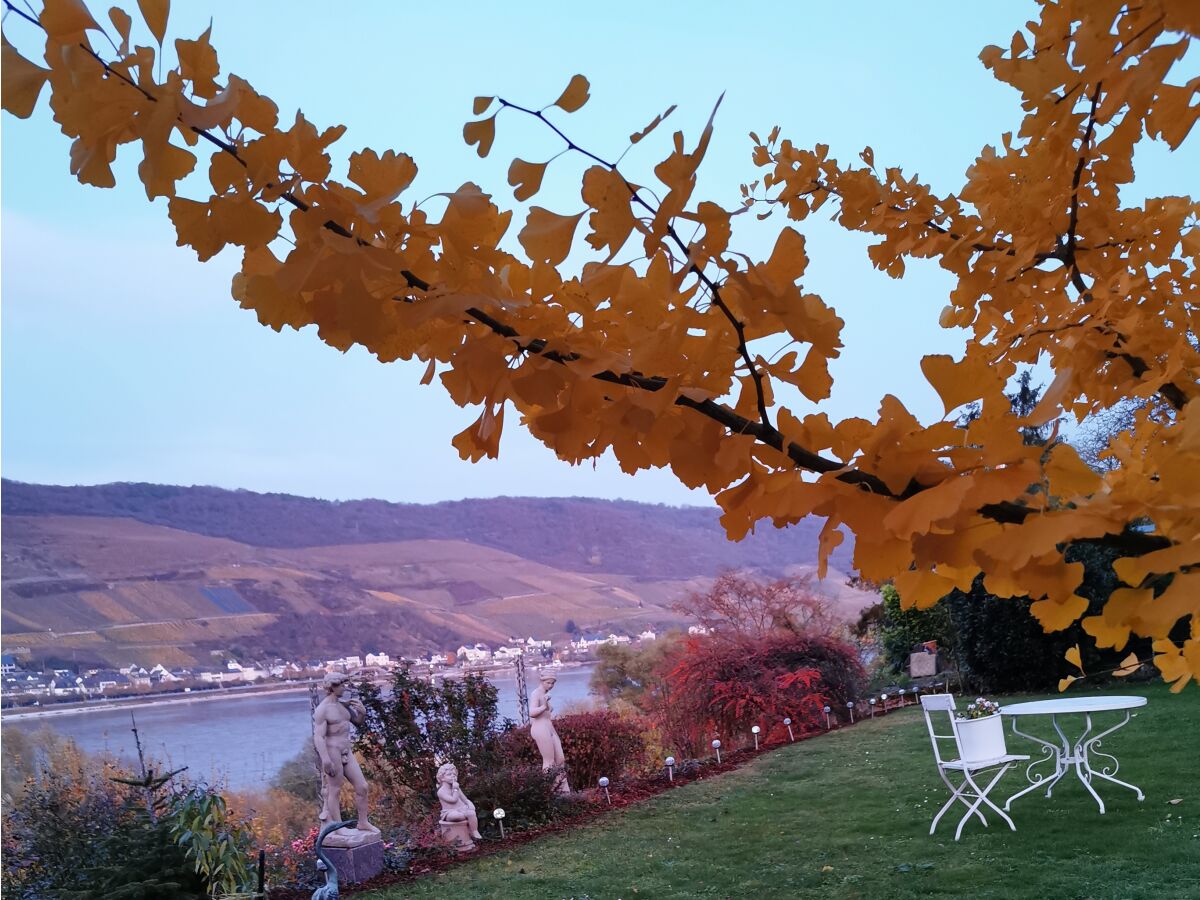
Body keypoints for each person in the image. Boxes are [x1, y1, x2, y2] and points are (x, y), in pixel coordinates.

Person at [312, 672, 377, 835]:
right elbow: (318, 737)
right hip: (332, 750)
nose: (344, 688)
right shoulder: (323, 709)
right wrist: (325, 759)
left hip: (346, 750)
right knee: (335, 790)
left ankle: (363, 822)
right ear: (332, 687)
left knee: (362, 786)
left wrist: (362, 712)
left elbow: (357, 722)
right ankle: (338, 827)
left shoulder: (343, 705)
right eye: (341, 685)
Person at [528, 670, 571, 793]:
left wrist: (546, 703)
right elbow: (531, 713)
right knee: (549, 761)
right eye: (548, 682)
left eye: (552, 683)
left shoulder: (546, 694)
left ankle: (563, 790)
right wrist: (544, 706)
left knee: (560, 759)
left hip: (549, 727)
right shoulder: (536, 694)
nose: (550, 685)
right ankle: (549, 790)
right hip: (540, 728)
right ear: (541, 681)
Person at [436, 762, 482, 840]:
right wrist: (455, 789)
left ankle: (474, 831)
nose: (453, 776)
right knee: (456, 816)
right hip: (449, 812)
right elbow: (453, 800)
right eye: (449, 775)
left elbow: (464, 798)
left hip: (462, 808)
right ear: (442, 778)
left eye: (454, 775)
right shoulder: (441, 791)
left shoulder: (456, 788)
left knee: (471, 813)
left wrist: (469, 804)